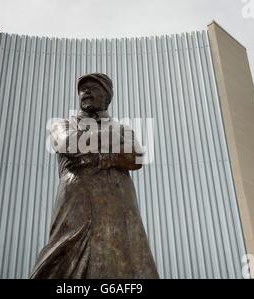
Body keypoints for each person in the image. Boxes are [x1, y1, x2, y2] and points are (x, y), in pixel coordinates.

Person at [30, 73, 159, 279]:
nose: (86, 91)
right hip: (77, 198)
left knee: (124, 255)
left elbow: (136, 156)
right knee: (64, 253)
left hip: (119, 199)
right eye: (83, 89)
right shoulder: (62, 124)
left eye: (94, 88)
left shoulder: (122, 128)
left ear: (107, 97)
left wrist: (92, 150)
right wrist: (114, 141)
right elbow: (68, 144)